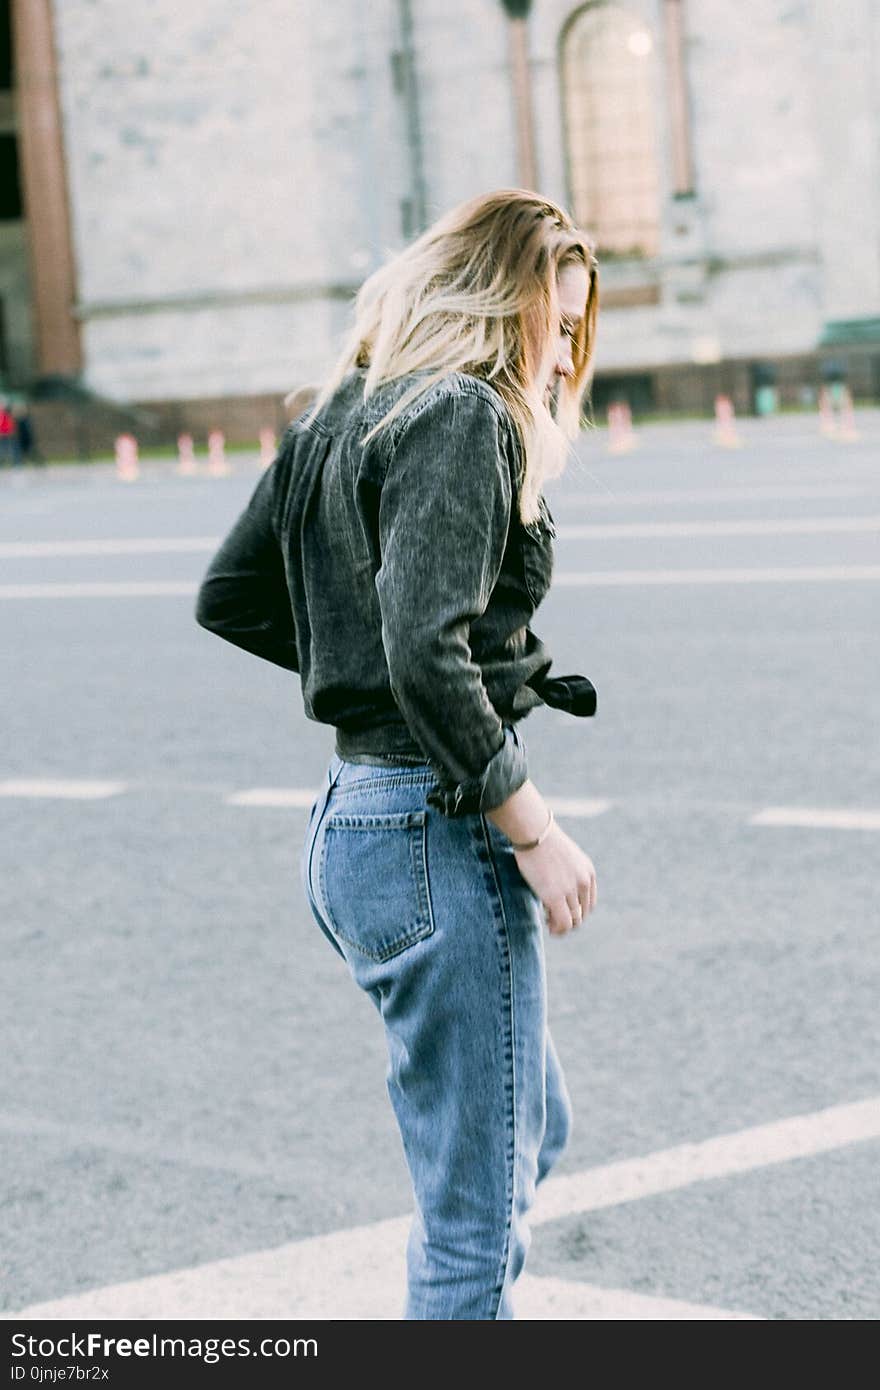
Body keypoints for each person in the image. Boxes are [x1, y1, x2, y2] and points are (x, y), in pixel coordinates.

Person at [195, 188, 601, 1320]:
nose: (566, 353)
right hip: (434, 828)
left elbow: (231, 597)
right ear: (493, 302)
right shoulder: (462, 415)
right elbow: (428, 651)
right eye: (554, 323)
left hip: (357, 824)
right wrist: (536, 827)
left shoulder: (341, 412)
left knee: (530, 1132)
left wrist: (364, 676)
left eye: (576, 329)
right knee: (472, 1221)